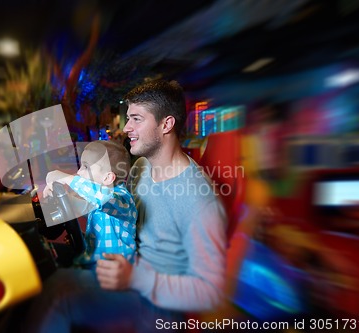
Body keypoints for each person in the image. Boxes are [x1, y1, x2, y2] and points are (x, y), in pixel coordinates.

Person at [24, 80, 227, 332]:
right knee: (43, 265)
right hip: (124, 268)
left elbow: (211, 292)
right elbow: (119, 207)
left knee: (60, 291)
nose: (126, 127)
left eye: (136, 119)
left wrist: (137, 278)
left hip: (152, 303)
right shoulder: (141, 166)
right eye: (128, 118)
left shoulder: (198, 199)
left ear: (167, 124)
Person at [43, 140, 137, 270]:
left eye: (86, 167)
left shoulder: (122, 199)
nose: (79, 172)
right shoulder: (97, 199)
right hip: (93, 259)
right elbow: (82, 206)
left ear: (108, 178)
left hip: (115, 271)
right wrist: (59, 196)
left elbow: (104, 197)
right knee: (46, 254)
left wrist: (65, 178)